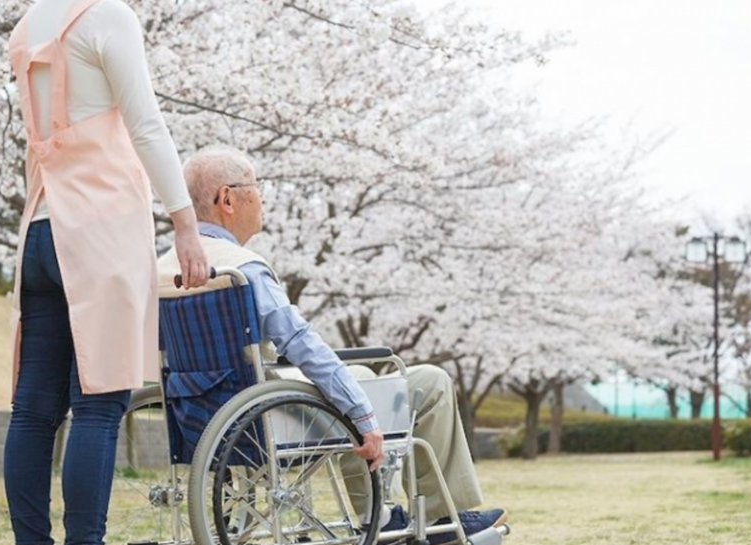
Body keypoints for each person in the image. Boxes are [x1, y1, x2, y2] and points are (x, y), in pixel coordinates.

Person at [157, 146, 508, 544]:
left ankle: (389, 514)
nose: (263, 198)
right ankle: (431, 517)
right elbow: (300, 342)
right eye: (256, 187)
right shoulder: (243, 269)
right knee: (429, 381)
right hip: (268, 418)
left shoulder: (164, 268)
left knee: (356, 376)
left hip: (197, 414)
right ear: (227, 198)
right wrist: (362, 415)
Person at [4, 1, 209, 544]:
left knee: (33, 411)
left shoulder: (26, 28)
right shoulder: (107, 16)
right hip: (99, 232)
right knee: (97, 404)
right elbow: (146, 124)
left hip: (40, 230)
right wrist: (185, 223)